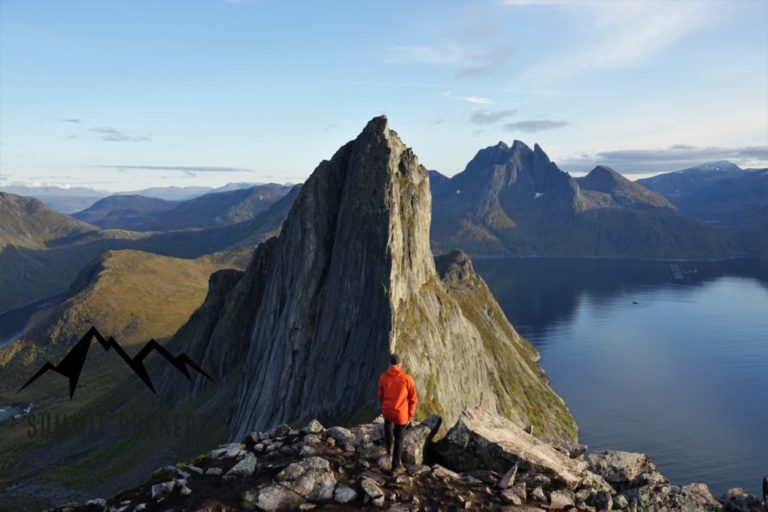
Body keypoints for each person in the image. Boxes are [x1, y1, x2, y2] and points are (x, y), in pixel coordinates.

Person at [377, 353, 418, 475]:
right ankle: (395, 467)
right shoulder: (407, 379)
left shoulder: (383, 377)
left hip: (387, 411)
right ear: (400, 365)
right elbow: (413, 399)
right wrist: (409, 415)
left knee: (388, 424)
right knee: (399, 441)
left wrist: (386, 405)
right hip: (401, 415)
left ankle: (388, 448)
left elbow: (380, 394)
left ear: (390, 364)